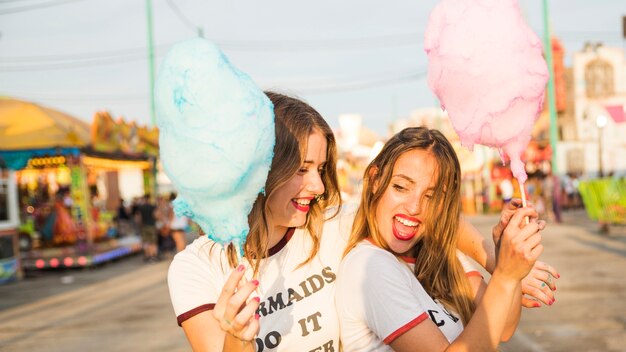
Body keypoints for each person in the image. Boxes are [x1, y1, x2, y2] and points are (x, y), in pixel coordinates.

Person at [167, 93, 557, 352]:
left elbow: (423, 212)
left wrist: (495, 259)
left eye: (320, 168)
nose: (318, 185)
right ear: (260, 168)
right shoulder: (196, 267)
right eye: (302, 169)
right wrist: (237, 337)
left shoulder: (332, 225)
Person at [336, 127, 546, 351]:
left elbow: (503, 327)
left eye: (431, 196)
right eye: (401, 187)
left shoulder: (439, 252)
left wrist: (505, 259)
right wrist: (505, 276)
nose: (414, 207)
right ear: (375, 180)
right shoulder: (369, 265)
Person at [137, 194, 158, 262]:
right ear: (149, 199)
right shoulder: (152, 206)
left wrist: (141, 225)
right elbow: (155, 215)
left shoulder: (141, 207)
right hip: (151, 225)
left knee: (146, 242)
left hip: (144, 226)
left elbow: (139, 218)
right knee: (153, 242)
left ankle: (147, 255)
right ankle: (153, 256)